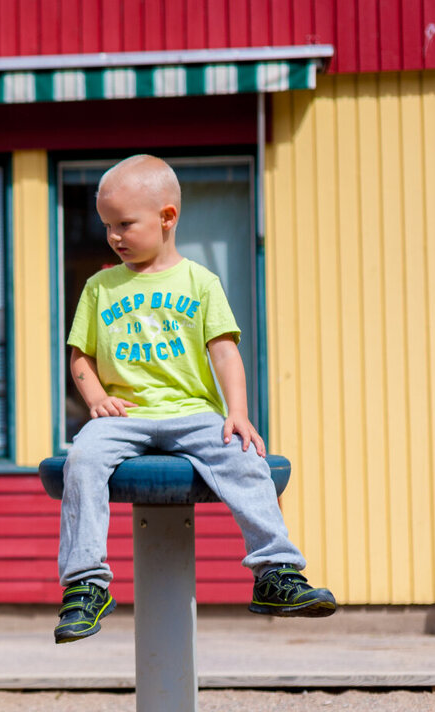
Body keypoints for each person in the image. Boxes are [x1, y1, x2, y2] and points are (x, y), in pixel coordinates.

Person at [55, 154, 335, 643]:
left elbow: (225, 354)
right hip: (125, 416)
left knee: (247, 459)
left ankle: (276, 572)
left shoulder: (200, 282)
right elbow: (80, 356)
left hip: (193, 414)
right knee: (81, 457)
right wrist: (97, 397)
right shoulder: (101, 286)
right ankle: (86, 584)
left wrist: (239, 415)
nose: (113, 236)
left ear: (167, 218)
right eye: (106, 226)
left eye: (124, 224)